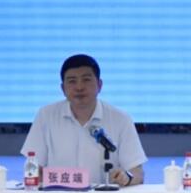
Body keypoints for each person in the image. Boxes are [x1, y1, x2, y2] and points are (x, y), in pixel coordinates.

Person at [21, 54, 146, 186]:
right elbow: (33, 166)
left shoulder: (121, 119)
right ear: (63, 89)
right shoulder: (46, 116)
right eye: (72, 81)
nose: (79, 87)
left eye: (86, 80)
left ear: (99, 85)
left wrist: (127, 177)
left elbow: (137, 172)